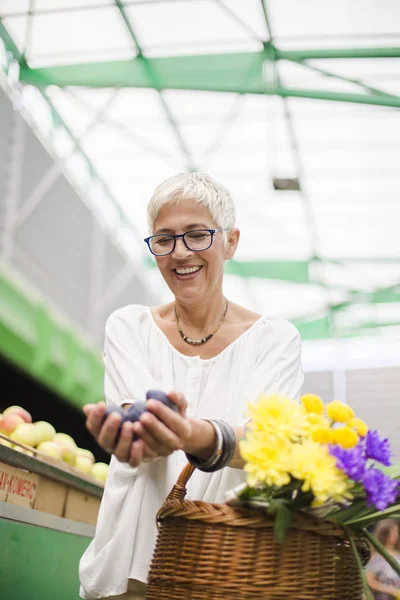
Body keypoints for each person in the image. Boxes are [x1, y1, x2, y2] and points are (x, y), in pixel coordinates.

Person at [79, 172, 304, 599]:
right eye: (163, 239)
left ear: (231, 242)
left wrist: (193, 435)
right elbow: (141, 431)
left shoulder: (275, 339)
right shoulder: (129, 327)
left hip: (230, 566)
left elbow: (268, 445)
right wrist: (134, 439)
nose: (180, 253)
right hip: (133, 564)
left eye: (197, 235)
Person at [366, 519, 400, 600]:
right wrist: (391, 590)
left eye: (397, 532)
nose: (396, 535)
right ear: (385, 533)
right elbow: (370, 580)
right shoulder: (377, 557)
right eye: (393, 532)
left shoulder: (398, 555)